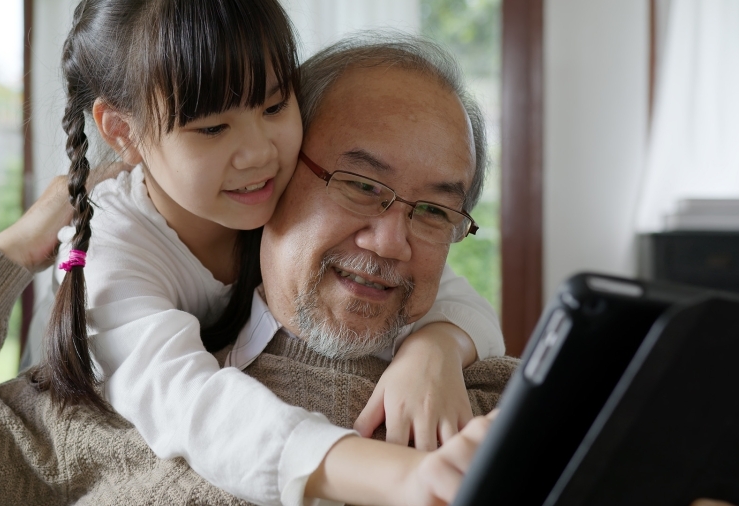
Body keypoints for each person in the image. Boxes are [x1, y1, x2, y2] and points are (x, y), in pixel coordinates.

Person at [30, 1, 504, 504]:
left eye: (274, 107)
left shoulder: (264, 192)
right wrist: (403, 476)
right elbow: (195, 409)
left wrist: (434, 349)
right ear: (123, 131)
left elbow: (450, 293)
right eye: (212, 127)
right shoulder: (116, 247)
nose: (259, 153)